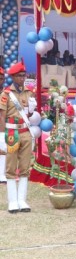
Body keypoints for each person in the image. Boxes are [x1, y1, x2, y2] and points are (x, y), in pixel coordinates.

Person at [2, 62, 35, 212]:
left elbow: (29, 115)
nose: (22, 78)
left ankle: (22, 200)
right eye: (19, 76)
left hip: (25, 132)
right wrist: (1, 135)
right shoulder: (6, 94)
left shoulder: (29, 92)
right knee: (10, 167)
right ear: (13, 77)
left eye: (24, 75)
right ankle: (12, 201)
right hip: (11, 132)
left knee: (25, 166)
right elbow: (2, 116)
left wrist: (32, 110)